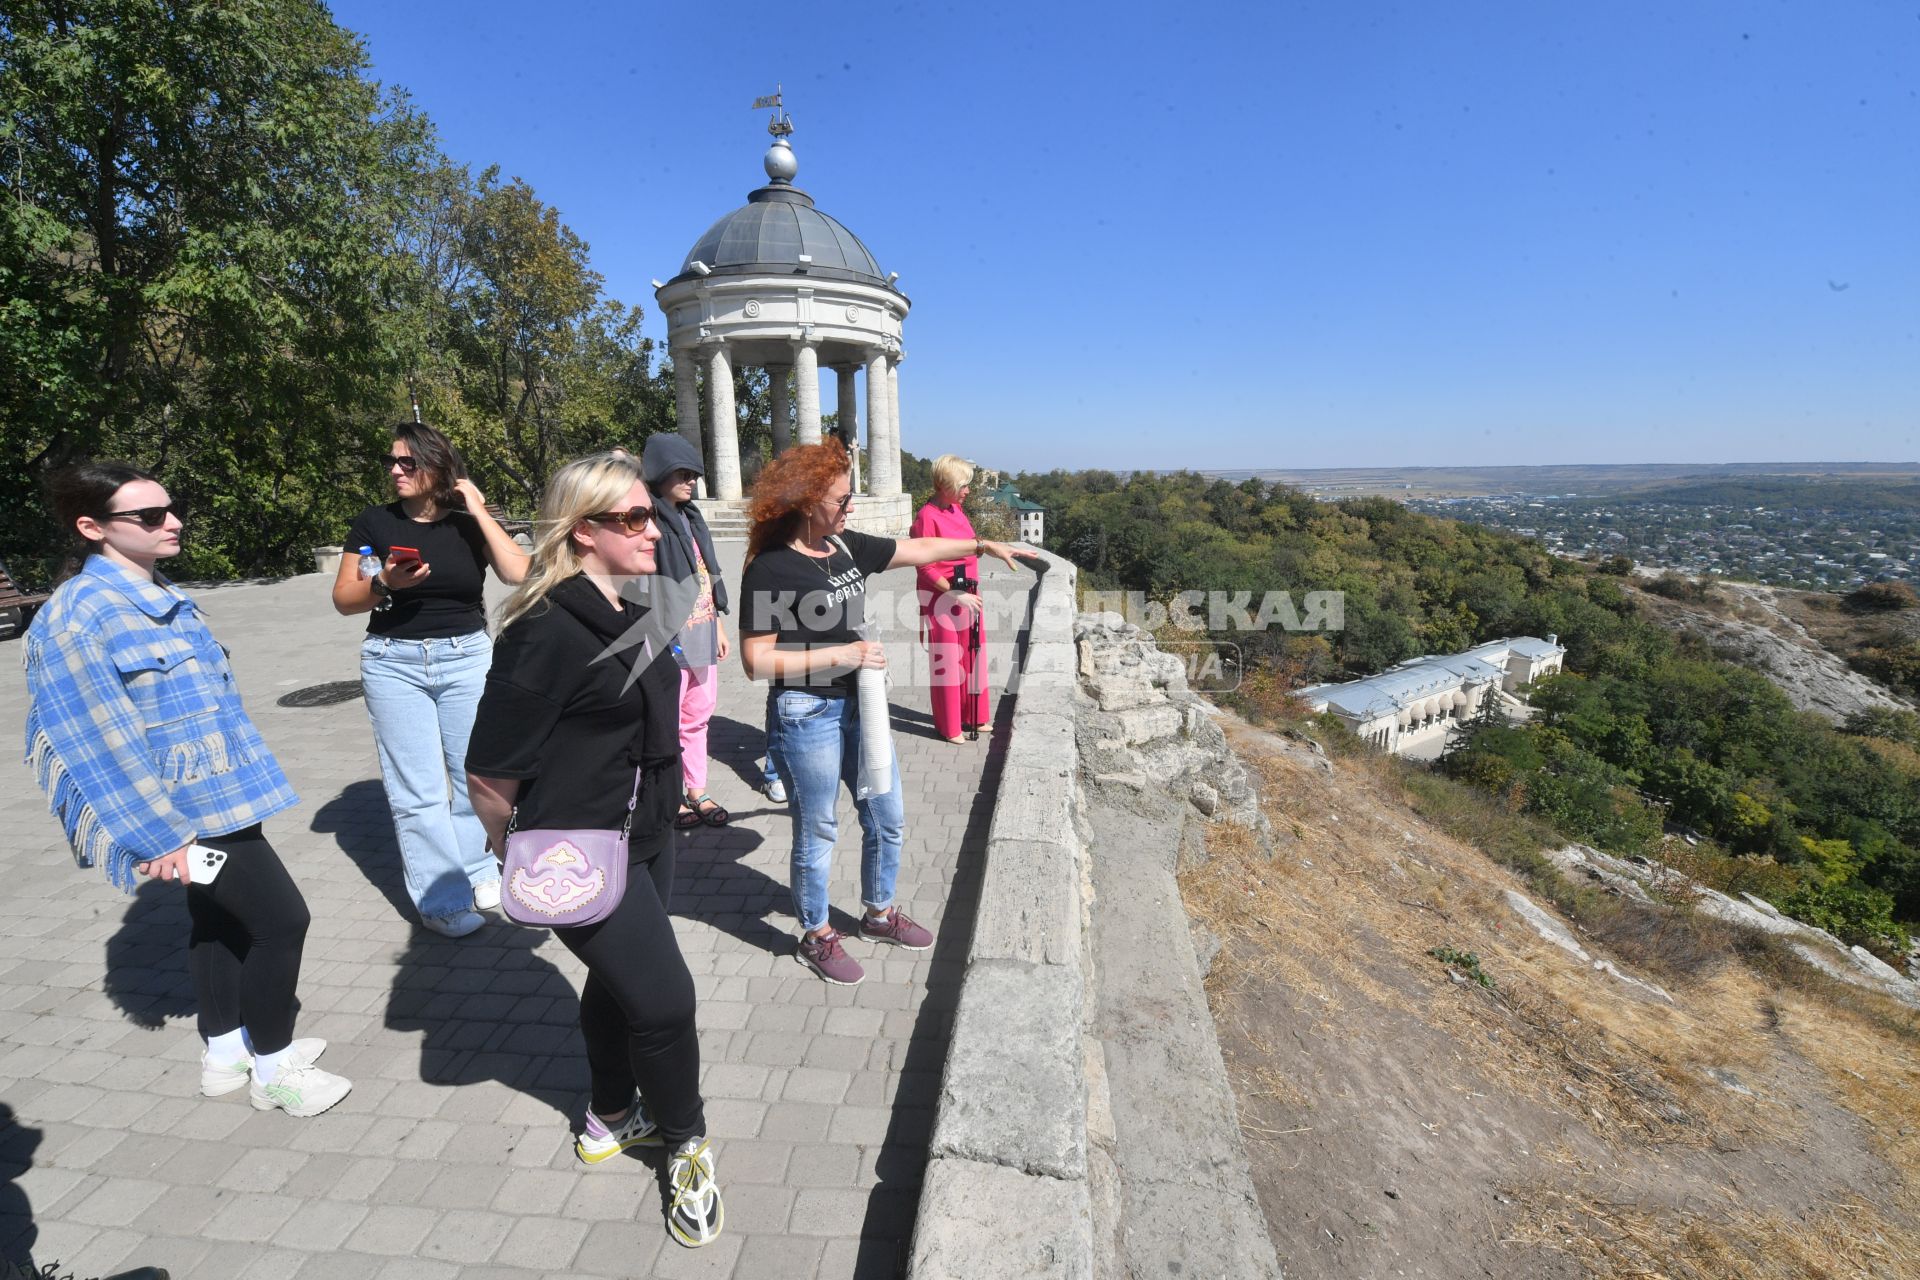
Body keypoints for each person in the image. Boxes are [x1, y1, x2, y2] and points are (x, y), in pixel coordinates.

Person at [23, 462, 351, 1117]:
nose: (172, 523)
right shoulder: (78, 616)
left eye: (171, 509)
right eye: (148, 516)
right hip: (184, 815)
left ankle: (226, 1053)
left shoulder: (154, 590)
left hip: (223, 796)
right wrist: (160, 836)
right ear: (92, 528)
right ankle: (276, 1071)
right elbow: (95, 741)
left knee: (219, 917)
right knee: (283, 922)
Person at [465, 452, 722, 1250]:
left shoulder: (635, 608)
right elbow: (487, 771)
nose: (656, 529)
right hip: (574, 846)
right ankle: (687, 1145)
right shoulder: (543, 630)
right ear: (584, 531)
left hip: (645, 833)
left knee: (618, 988)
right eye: (636, 519)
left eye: (654, 514)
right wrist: (516, 852)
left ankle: (610, 1117)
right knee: (667, 1000)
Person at [737, 439, 1039, 986]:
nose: (849, 508)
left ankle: (878, 915)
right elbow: (756, 661)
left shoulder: (844, 547)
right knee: (819, 828)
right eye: (840, 500)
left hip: (862, 704)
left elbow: (915, 551)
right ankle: (816, 934)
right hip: (808, 712)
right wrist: (842, 655)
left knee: (888, 816)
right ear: (807, 503)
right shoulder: (772, 567)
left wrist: (982, 544)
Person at [331, 422, 527, 937]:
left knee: (476, 778)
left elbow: (518, 573)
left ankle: (482, 872)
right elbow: (343, 600)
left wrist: (479, 509)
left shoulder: (467, 523)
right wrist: (383, 583)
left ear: (437, 468)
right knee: (417, 792)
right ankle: (441, 902)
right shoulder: (374, 522)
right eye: (392, 461)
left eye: (407, 463)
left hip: (466, 658)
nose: (395, 470)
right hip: (393, 662)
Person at [640, 434, 732, 830]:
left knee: (698, 714)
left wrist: (719, 623)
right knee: (665, 718)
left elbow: (704, 574)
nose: (691, 480)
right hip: (667, 635)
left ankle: (696, 789)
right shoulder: (647, 517)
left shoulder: (691, 517)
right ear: (659, 472)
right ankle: (670, 793)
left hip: (702, 629)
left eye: (693, 473)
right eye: (682, 473)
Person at [910, 455, 992, 742]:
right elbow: (924, 567)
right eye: (964, 485)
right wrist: (955, 593)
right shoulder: (926, 517)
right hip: (944, 598)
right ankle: (950, 726)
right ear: (947, 485)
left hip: (969, 595)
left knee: (973, 657)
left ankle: (976, 717)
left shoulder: (957, 510)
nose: (967, 491)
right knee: (948, 664)